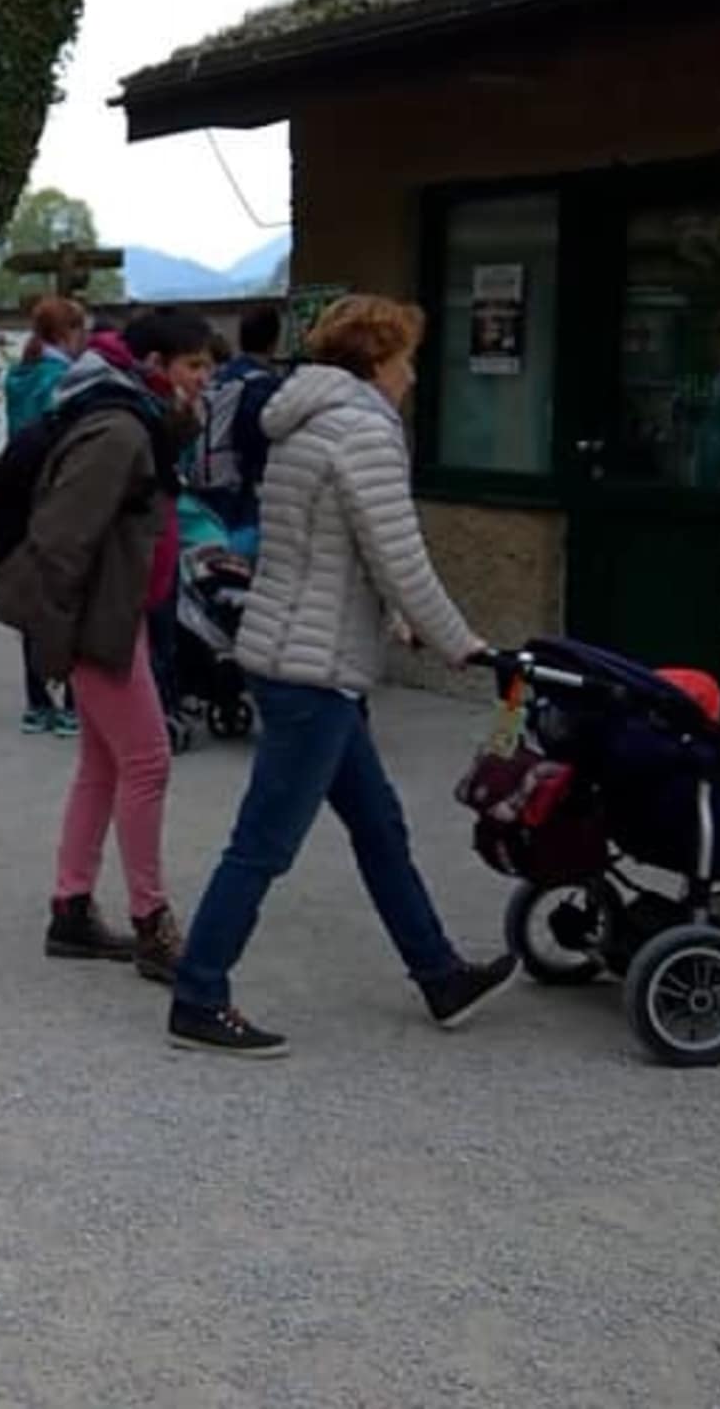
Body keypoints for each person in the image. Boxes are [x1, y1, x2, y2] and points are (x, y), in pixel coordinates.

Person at [167, 295, 516, 1056]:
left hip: (300, 652)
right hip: (313, 670)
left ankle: (439, 974)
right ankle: (198, 995)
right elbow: (399, 556)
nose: (412, 376)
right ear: (377, 361)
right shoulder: (363, 430)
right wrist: (460, 643)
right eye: (407, 360)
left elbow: (325, 550)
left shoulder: (305, 419)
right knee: (264, 843)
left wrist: (391, 623)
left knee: (379, 825)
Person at [0, 309, 216, 980]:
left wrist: (183, 419)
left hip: (118, 616)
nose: (205, 378)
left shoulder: (131, 414)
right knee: (147, 762)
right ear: (154, 366)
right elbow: (63, 539)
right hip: (102, 623)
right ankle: (152, 923)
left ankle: (72, 907)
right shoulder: (118, 429)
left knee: (104, 765)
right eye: (194, 366)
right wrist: (58, 641)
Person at [3, 295, 90, 737]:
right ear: (68, 332)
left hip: (20, 490)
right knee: (70, 594)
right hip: (56, 491)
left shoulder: (19, 375)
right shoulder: (66, 380)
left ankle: (37, 701)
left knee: (32, 596)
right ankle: (73, 701)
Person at [191, 305, 287, 564]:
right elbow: (257, 437)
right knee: (240, 545)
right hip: (239, 478)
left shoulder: (221, 376)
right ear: (274, 341)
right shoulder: (263, 385)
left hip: (208, 469)